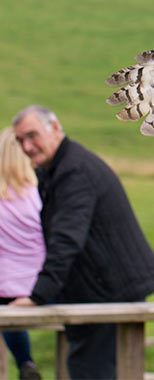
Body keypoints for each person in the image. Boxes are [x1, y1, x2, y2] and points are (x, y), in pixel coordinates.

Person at [10, 105, 154, 379]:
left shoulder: (74, 171)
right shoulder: (58, 168)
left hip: (110, 291)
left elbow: (66, 238)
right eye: (20, 140)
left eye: (33, 135)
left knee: (90, 370)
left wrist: (38, 295)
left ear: (55, 128)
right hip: (100, 289)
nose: (27, 146)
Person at [0, 128, 44, 380]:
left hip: (7, 291)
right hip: (42, 286)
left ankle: (25, 361)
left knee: (6, 301)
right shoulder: (40, 193)